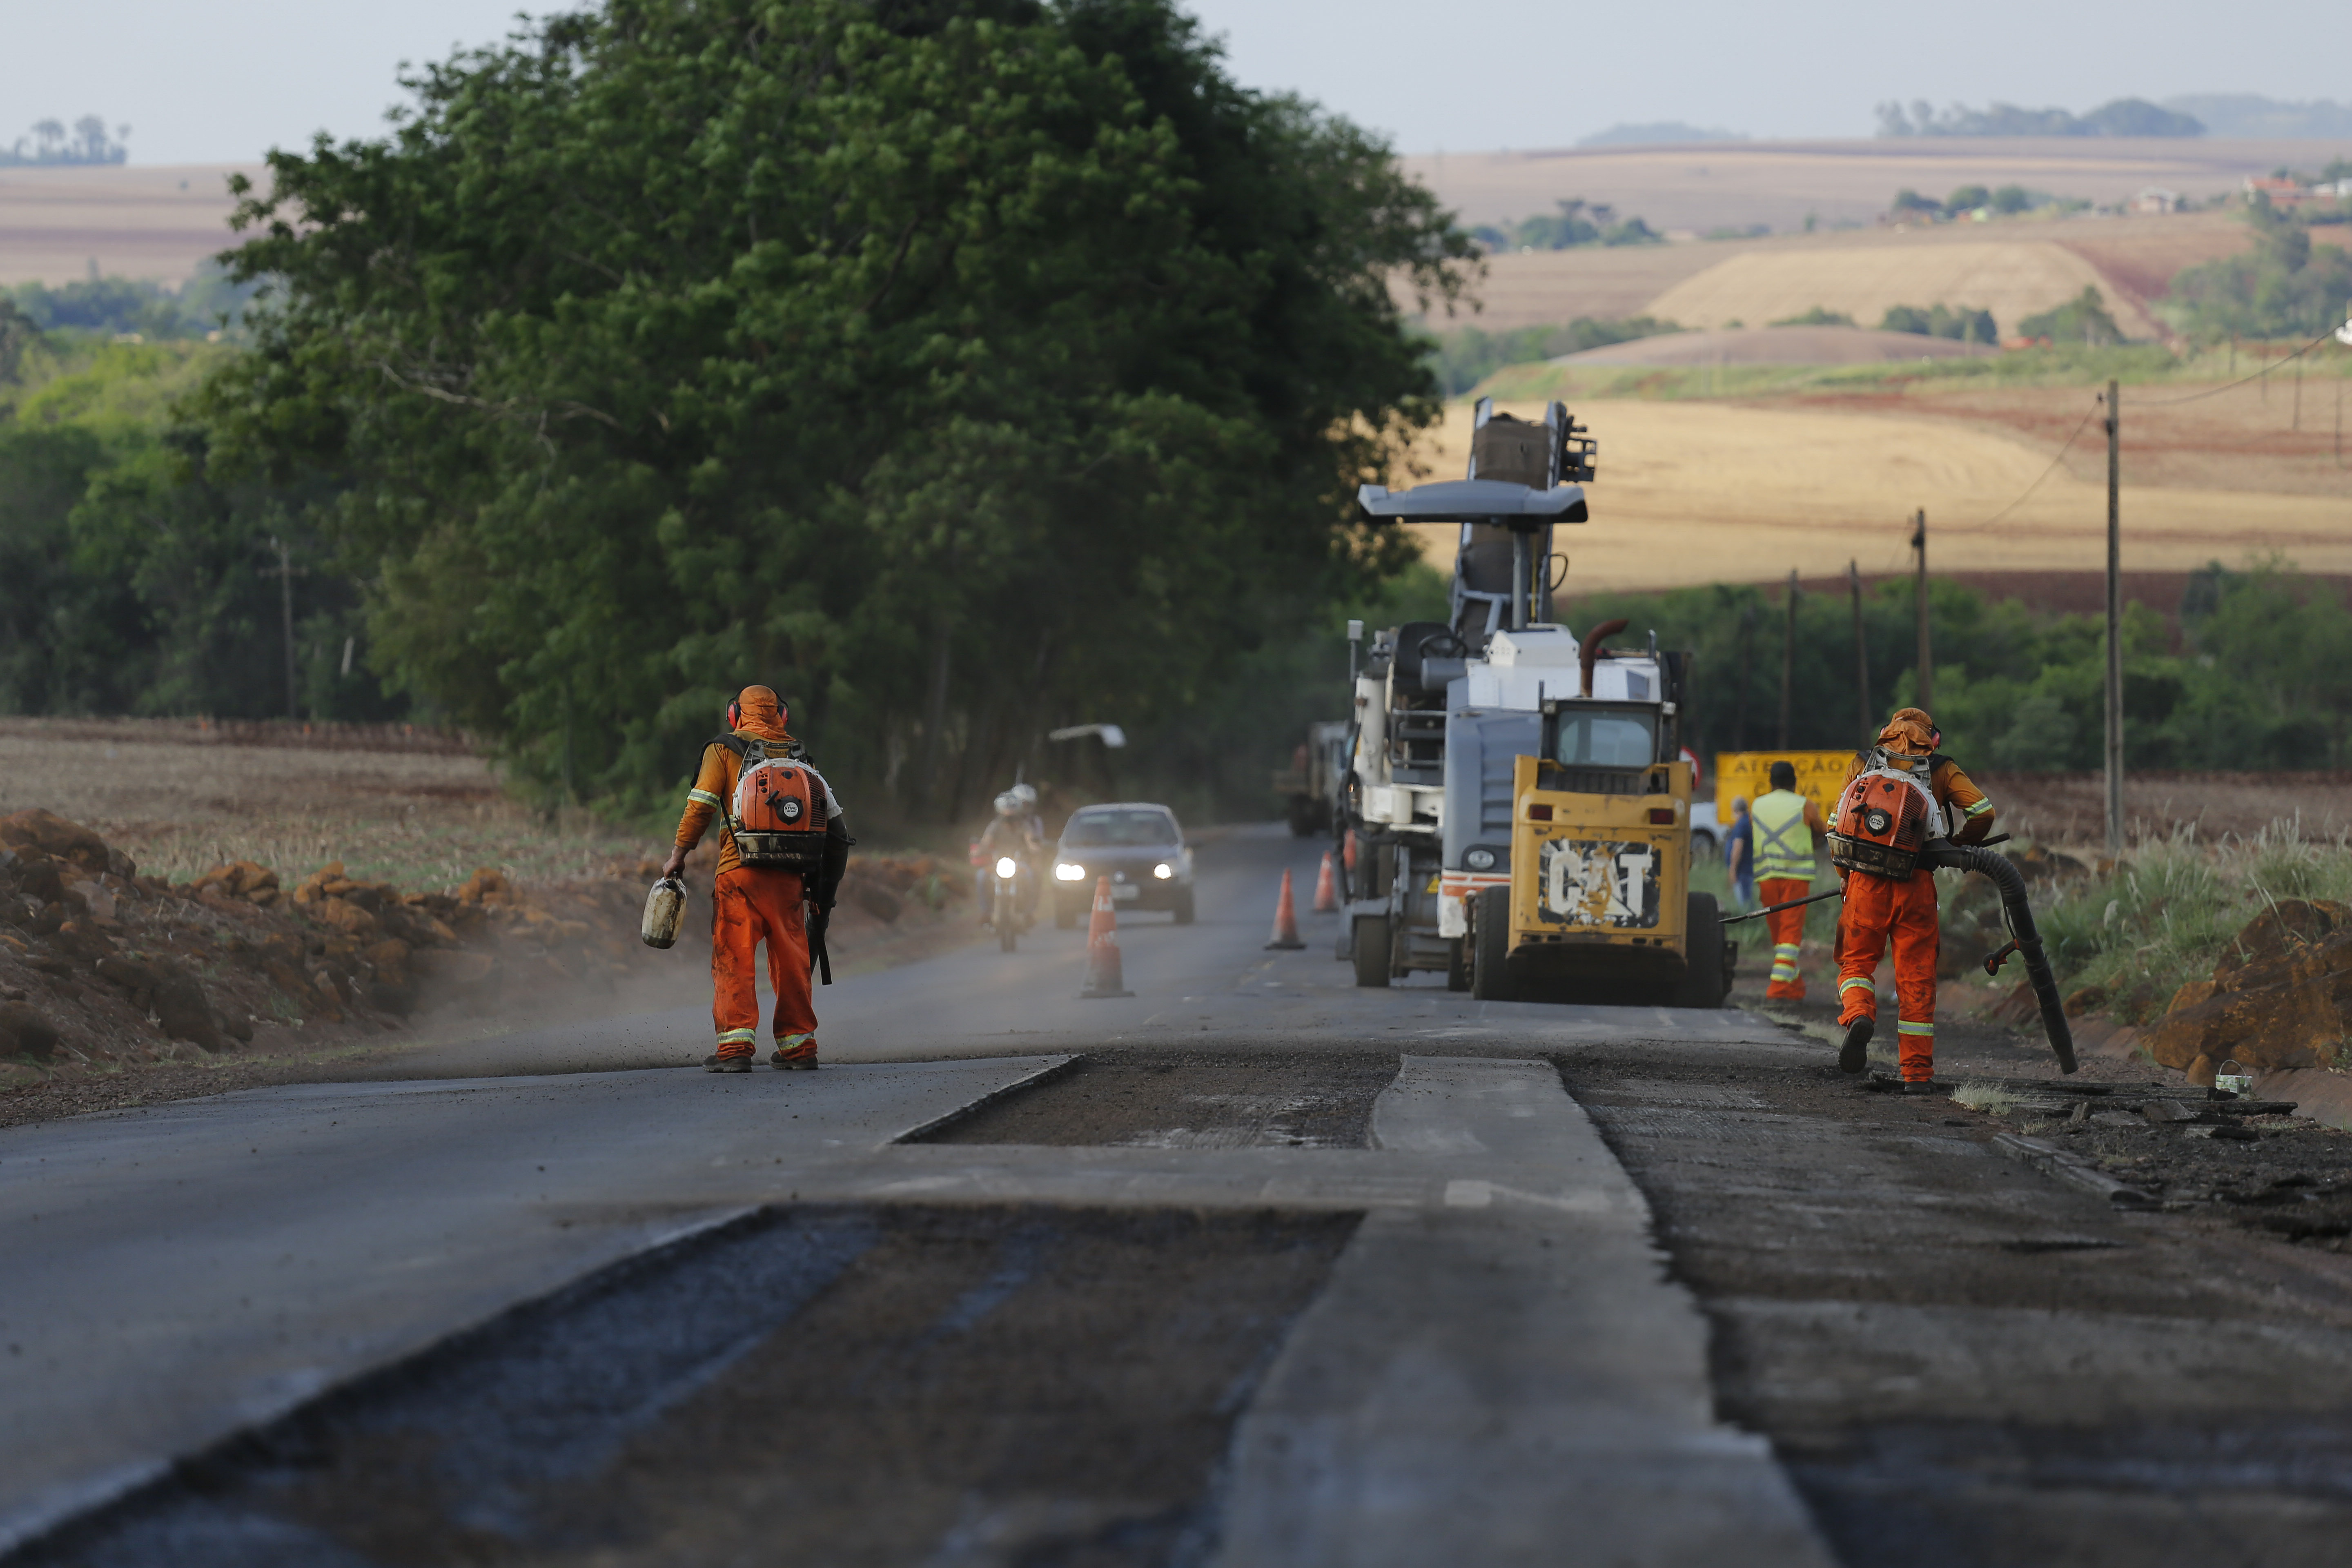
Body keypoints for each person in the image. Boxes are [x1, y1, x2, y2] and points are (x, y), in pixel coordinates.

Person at [661, 686, 850, 1072]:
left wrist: (679, 855)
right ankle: (800, 1047)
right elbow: (838, 833)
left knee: (734, 958)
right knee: (792, 962)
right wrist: (823, 895)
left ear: (735, 716)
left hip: (738, 875)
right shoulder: (799, 758)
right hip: (789, 881)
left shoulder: (722, 750)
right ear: (782, 716)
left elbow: (699, 808)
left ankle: (734, 1050)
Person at [1831, 708, 1996, 1088]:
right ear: (1931, 737)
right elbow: (1983, 812)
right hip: (1917, 884)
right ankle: (1917, 1074)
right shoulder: (1940, 767)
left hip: (1865, 883)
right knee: (1917, 977)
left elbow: (1835, 825)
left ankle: (1859, 1015)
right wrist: (1953, 846)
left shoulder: (1863, 762)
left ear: (1886, 732)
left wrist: (1845, 877)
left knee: (1856, 963)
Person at [1752, 761, 1828, 1001]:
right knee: (1790, 932)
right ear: (1795, 783)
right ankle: (1778, 988)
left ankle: (1794, 986)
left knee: (1779, 935)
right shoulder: (1805, 805)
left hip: (1766, 877)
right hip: (1796, 877)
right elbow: (1822, 832)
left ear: (1771, 783)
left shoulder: (1757, 805)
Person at [973, 785, 1045, 923]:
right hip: (997, 864)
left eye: (1012, 810)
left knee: (1030, 876)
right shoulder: (995, 826)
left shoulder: (1025, 825)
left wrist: (1034, 847)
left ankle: (1028, 913)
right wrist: (978, 851)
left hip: (1020, 863)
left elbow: (1030, 839)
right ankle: (986, 912)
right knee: (981, 876)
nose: (1009, 814)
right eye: (1006, 811)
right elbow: (986, 841)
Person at [1724, 796, 1755, 911]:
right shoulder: (1747, 821)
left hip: (1742, 870)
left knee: (1745, 901)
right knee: (1746, 897)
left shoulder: (1741, 825)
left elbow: (1738, 848)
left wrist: (1733, 868)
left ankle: (1750, 922)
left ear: (1734, 809)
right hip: (1747, 867)